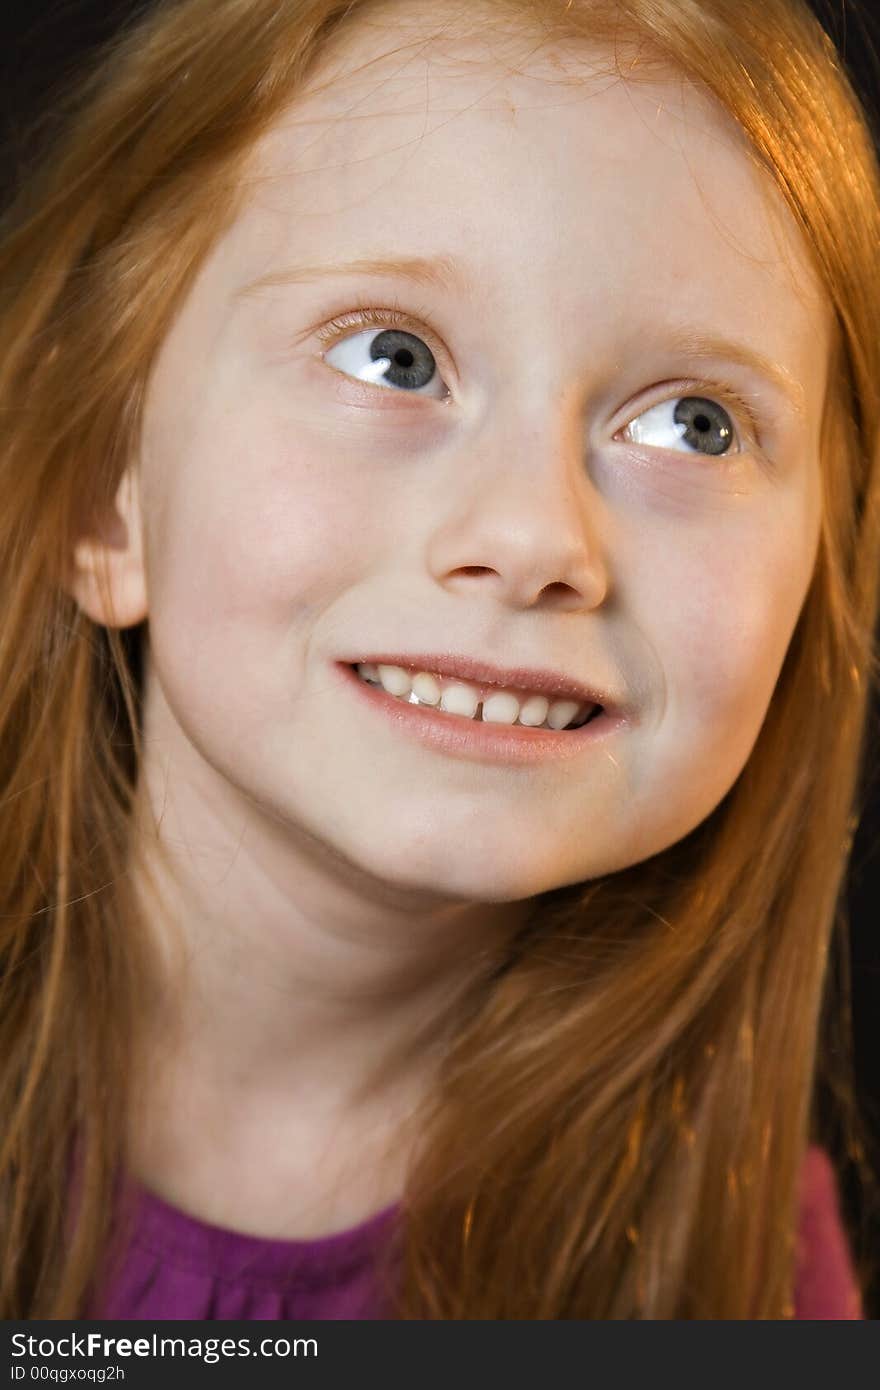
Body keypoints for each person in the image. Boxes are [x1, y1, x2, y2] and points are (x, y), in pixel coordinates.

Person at [0, 0, 877, 1320]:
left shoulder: (743, 1271)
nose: (532, 538)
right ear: (99, 490)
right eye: (392, 355)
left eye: (695, 424)